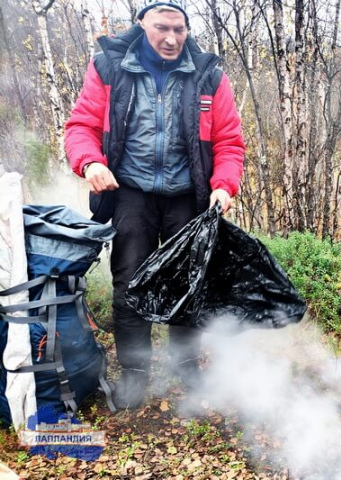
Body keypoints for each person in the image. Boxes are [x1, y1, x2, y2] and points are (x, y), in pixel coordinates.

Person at [65, 0, 246, 410]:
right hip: (130, 191)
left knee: (187, 282)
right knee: (129, 281)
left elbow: (230, 143)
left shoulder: (208, 75)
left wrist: (224, 186)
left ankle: (185, 363)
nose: (171, 38)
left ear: (187, 30)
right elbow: (82, 126)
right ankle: (135, 372)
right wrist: (90, 161)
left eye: (179, 30)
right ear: (142, 23)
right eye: (162, 27)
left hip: (188, 194)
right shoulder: (110, 66)